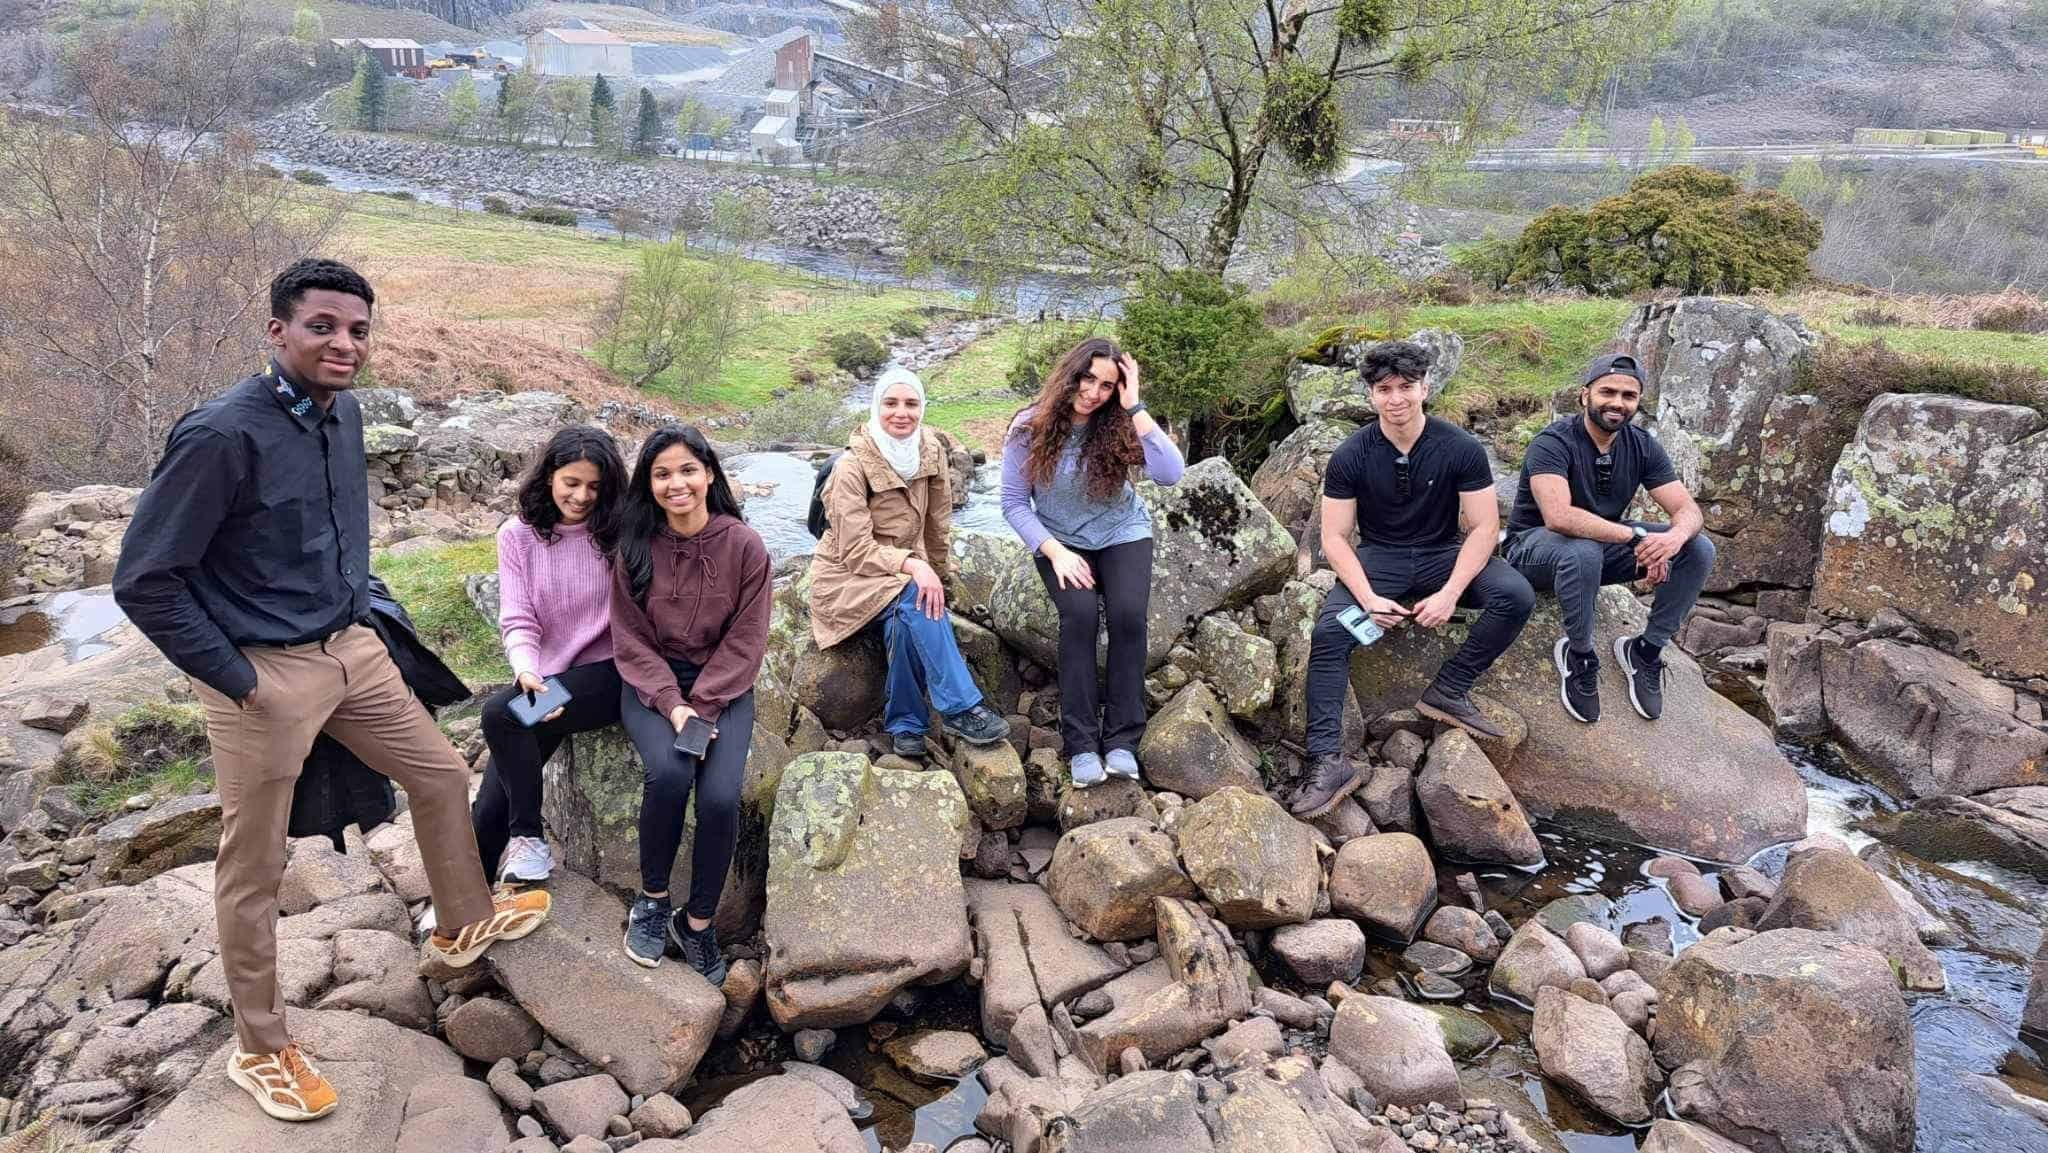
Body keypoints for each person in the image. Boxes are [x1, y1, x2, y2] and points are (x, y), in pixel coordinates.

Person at [111, 258, 550, 1123]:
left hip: (352, 647)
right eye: (322, 326)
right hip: (261, 673)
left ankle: (460, 921)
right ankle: (261, 1045)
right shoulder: (220, 435)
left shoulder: (342, 414)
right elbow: (145, 579)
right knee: (256, 861)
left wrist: (360, 613)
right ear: (278, 331)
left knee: (435, 772)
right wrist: (241, 682)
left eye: (357, 328)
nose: (344, 343)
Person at [1294, 341, 1536, 818]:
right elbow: (1336, 538)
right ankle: (1326, 760)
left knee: (1514, 594)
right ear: (1370, 395)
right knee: (1328, 634)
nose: (1396, 399)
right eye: (1384, 389)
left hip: (1444, 552)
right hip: (1379, 558)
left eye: (1406, 387)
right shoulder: (1351, 455)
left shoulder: (1460, 448)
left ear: (1425, 387)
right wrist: (1366, 597)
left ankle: (1449, 687)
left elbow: (1485, 527)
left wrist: (1450, 594)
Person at [609, 425, 770, 982]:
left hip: (724, 686)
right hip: (652, 686)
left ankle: (696, 922)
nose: (675, 483)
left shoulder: (744, 545)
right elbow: (630, 640)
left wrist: (704, 703)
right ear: (648, 484)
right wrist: (675, 707)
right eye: (661, 474)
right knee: (669, 775)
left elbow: (747, 638)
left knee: (722, 796)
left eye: (687, 470)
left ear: (708, 475)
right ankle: (652, 900)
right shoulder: (634, 547)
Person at [1001, 336, 1184, 788]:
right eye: (1087, 378)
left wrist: (1135, 406)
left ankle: (1122, 741)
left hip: (1122, 532)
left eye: (1107, 385)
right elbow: (1012, 503)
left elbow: (1170, 474)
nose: (1093, 392)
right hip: (1062, 542)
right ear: (1071, 374)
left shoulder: (1120, 422)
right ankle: (1081, 744)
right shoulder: (1029, 427)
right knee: (1079, 618)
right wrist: (1056, 551)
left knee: (1126, 617)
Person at [810, 367, 1011, 758]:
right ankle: (960, 707)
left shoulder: (930, 451)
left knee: (911, 616)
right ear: (876, 407)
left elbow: (937, 527)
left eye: (911, 403)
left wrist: (942, 583)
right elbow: (855, 551)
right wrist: (916, 568)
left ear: (922, 407)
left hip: (897, 578)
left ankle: (906, 726)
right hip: (847, 577)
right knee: (917, 593)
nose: (901, 412)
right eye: (890, 403)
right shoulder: (850, 468)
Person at [1505, 353, 1714, 724]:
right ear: (1585, 395)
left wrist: (1673, 540)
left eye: (1628, 396)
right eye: (1608, 392)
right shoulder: (1552, 443)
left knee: (1698, 547)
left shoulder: (1642, 445)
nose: (1617, 402)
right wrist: (1636, 540)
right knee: (1583, 549)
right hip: (1531, 552)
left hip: (1598, 550)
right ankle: (1580, 655)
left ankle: (1645, 652)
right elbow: (1559, 517)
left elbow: (1689, 511)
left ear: (1637, 403)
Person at [472, 426, 630, 886]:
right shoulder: (517, 537)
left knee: (500, 713)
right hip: (550, 679)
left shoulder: (618, 532)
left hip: (609, 674)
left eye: (595, 486)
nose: (582, 496)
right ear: (549, 478)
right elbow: (518, 617)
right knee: (489, 803)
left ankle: (530, 840)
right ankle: (464, 901)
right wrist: (526, 670)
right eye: (572, 483)